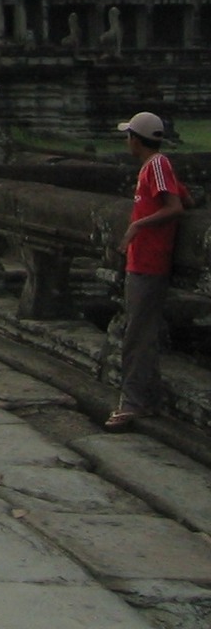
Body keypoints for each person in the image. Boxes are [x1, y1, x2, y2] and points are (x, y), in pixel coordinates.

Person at [106, 110, 189, 432]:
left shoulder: (156, 165)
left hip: (149, 262)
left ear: (134, 140)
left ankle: (134, 404)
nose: (127, 141)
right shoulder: (155, 168)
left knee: (136, 336)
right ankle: (146, 400)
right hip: (142, 260)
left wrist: (137, 225)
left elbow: (175, 207)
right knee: (141, 333)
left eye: (128, 136)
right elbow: (185, 197)